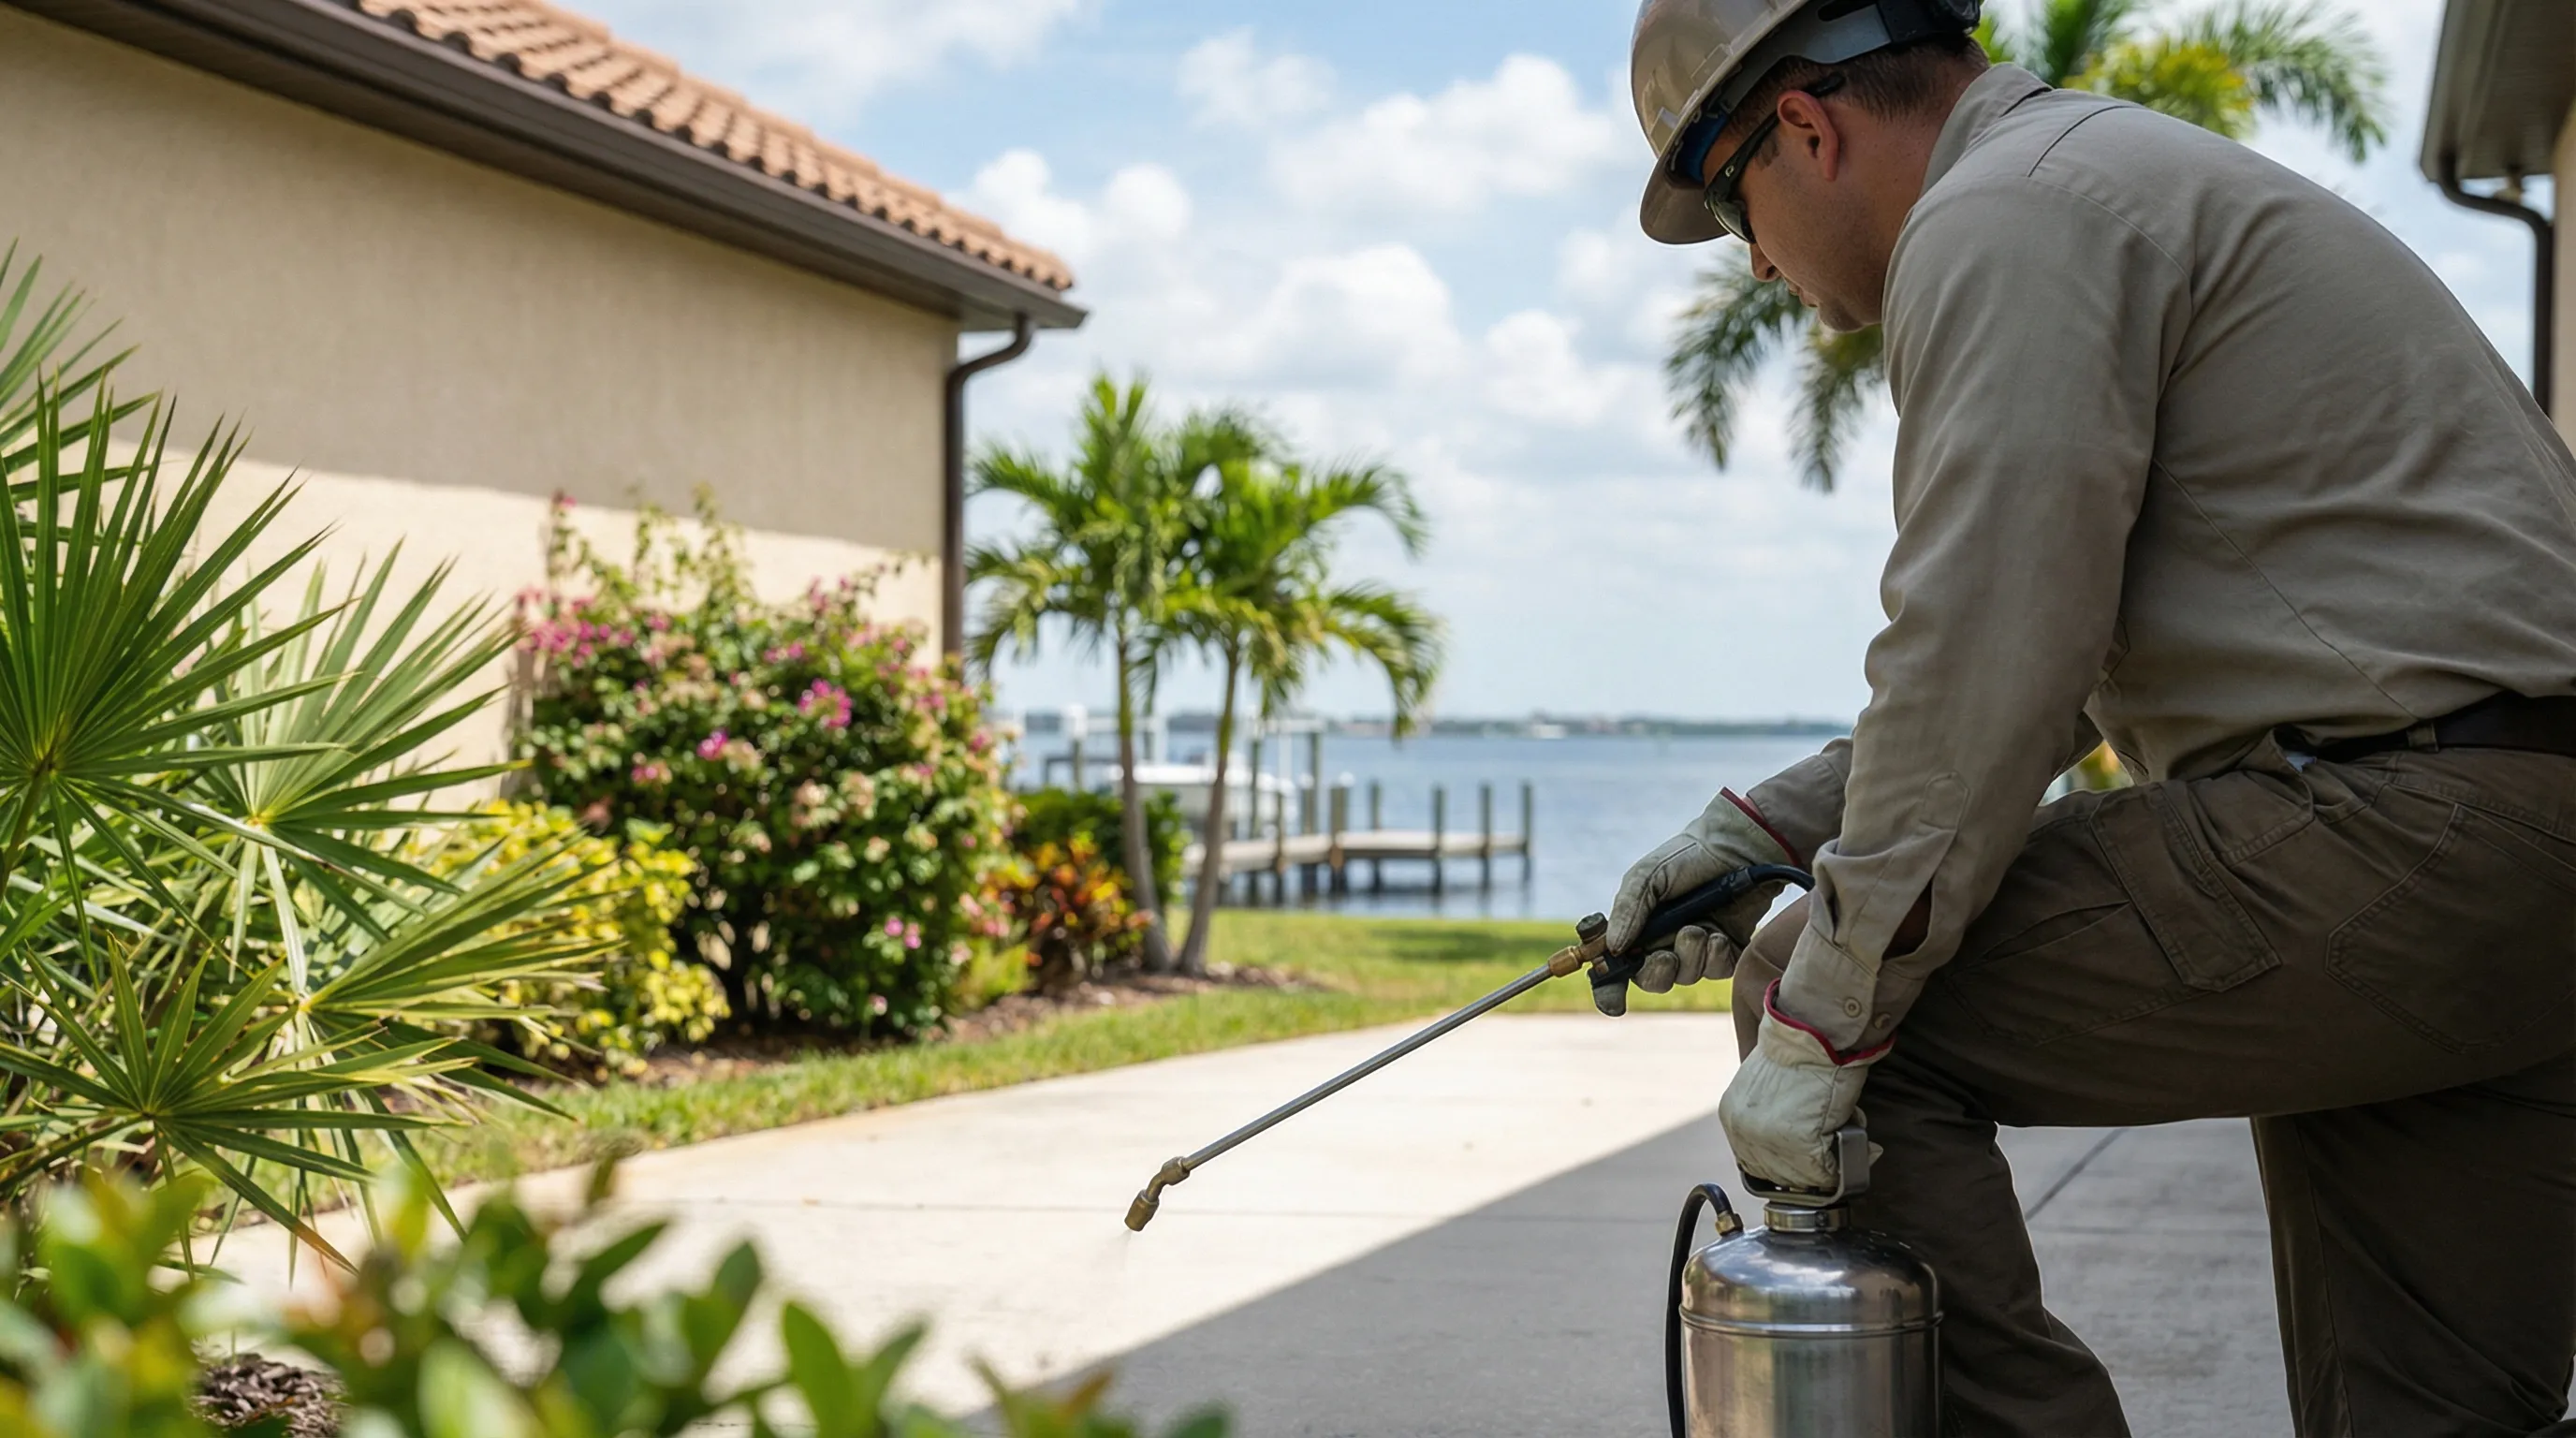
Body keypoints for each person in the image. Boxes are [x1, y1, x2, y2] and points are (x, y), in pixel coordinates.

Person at [1613, 0, 2576, 1432]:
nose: (1754, 260)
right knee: (2422, 1412)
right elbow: (2049, 648)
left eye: (1731, 206)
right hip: (2522, 854)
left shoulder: (1998, 220)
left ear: (1804, 130)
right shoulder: (2101, 175)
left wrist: (1821, 1022)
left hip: (2398, 833)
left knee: (1850, 1006)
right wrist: (1762, 825)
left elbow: (1987, 651)